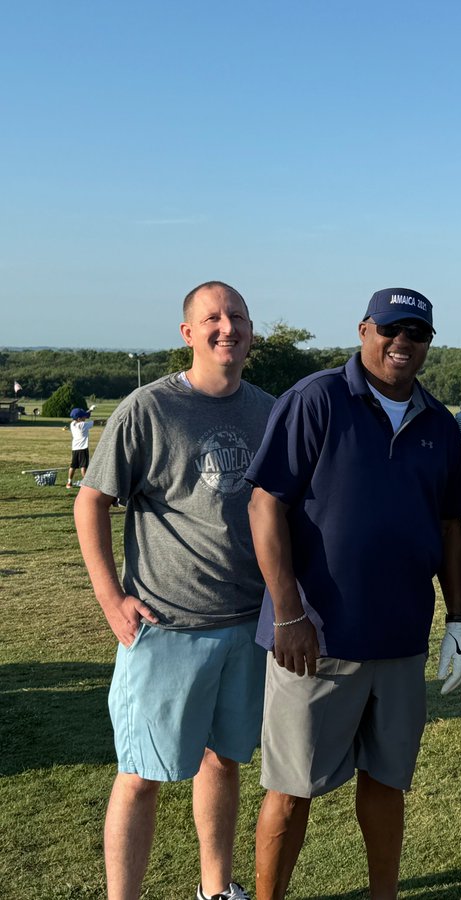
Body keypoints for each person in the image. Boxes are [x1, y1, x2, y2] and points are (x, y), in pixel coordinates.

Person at [246, 287, 461, 900]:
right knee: (291, 790)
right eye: (391, 329)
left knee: (387, 780)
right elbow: (265, 506)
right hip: (315, 639)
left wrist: (459, 618)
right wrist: (290, 613)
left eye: (417, 334)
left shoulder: (439, 423)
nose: (403, 343)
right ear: (365, 329)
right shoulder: (316, 398)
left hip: (400, 640)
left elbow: (451, 525)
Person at [74, 281, 274, 900]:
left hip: (247, 623)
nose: (226, 327)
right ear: (187, 333)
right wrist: (112, 600)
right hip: (165, 628)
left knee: (224, 761)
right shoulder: (148, 408)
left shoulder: (268, 409)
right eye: (211, 318)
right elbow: (91, 503)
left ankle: (216, 889)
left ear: (251, 332)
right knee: (140, 775)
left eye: (236, 316)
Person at [65, 406, 94, 487]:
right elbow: (95, 422)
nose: (85, 417)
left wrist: (90, 410)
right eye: (83, 416)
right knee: (83, 467)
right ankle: (87, 484)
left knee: (73, 466)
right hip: (83, 448)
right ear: (79, 418)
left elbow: (86, 415)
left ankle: (69, 483)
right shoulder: (83, 425)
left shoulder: (72, 424)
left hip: (75, 448)